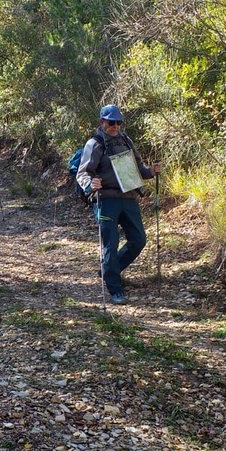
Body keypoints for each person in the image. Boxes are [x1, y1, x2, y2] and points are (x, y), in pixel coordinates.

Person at [76, 105, 160, 305]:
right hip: (106, 199)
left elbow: (139, 168)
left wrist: (151, 172)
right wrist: (90, 184)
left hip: (129, 196)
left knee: (139, 239)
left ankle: (108, 270)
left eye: (118, 122)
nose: (115, 126)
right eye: (111, 122)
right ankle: (115, 288)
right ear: (102, 122)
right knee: (110, 244)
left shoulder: (126, 141)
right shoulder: (94, 144)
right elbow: (83, 173)